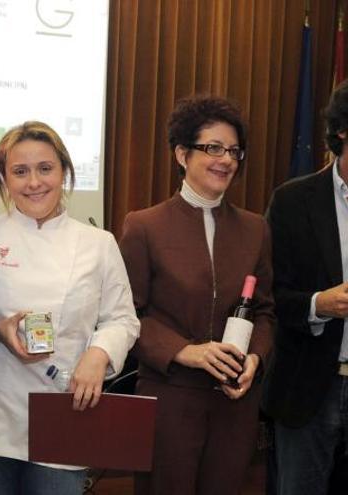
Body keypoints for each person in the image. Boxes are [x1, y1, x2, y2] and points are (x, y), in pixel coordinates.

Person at [0, 121, 140, 494]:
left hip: (64, 409)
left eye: (45, 168)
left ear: (65, 171)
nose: (34, 182)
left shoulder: (98, 243)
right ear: (4, 180)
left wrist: (99, 355)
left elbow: (122, 318)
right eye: (20, 172)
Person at [119, 96, 274, 494]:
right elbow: (126, 315)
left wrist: (254, 358)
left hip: (234, 403)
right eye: (213, 148)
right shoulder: (143, 226)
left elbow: (265, 312)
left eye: (234, 151)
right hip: (170, 397)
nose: (226, 159)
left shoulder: (255, 229)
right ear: (182, 153)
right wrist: (189, 351)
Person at [263, 79, 348, 494]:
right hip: (311, 387)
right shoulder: (293, 202)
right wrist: (319, 304)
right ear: (343, 129)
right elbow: (268, 297)